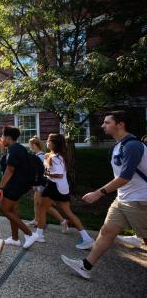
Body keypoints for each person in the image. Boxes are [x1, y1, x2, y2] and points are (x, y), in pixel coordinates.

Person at [62, 111, 147, 279]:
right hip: (123, 198)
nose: (102, 125)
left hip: (140, 200)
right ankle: (85, 267)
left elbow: (125, 177)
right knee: (107, 231)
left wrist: (98, 193)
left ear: (120, 125)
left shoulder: (132, 146)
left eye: (107, 122)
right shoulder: (118, 146)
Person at [35, 134, 94, 248]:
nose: (46, 142)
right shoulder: (56, 156)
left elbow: (59, 174)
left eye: (48, 140)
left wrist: (45, 173)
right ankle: (87, 238)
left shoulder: (55, 157)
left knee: (41, 208)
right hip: (63, 188)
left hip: (53, 185)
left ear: (54, 143)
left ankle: (39, 235)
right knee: (68, 213)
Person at [0, 126, 39, 249]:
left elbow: (10, 169)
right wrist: (2, 149)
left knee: (4, 209)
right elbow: (6, 164)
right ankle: (15, 238)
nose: (2, 138)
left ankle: (29, 234)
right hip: (22, 184)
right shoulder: (18, 147)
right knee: (12, 210)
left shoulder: (13, 149)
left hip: (16, 184)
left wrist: (0, 187)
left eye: (3, 136)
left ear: (8, 137)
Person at [28, 136, 68, 231]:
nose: (29, 146)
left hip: (42, 183)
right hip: (39, 183)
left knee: (43, 205)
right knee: (37, 203)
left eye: (30, 144)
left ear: (34, 145)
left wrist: (36, 182)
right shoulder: (39, 155)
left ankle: (62, 221)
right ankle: (37, 220)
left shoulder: (41, 156)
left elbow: (43, 171)